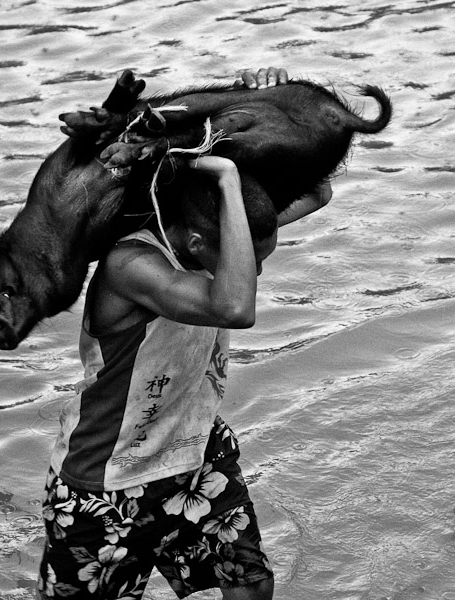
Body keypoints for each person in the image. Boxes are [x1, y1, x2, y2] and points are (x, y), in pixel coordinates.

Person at [38, 68, 329, 600]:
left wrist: (264, 106)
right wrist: (226, 180)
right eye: (248, 261)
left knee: (249, 587)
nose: (253, 273)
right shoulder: (133, 266)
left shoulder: (221, 235)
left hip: (195, 452)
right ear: (194, 244)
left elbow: (319, 190)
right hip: (106, 481)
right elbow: (234, 307)